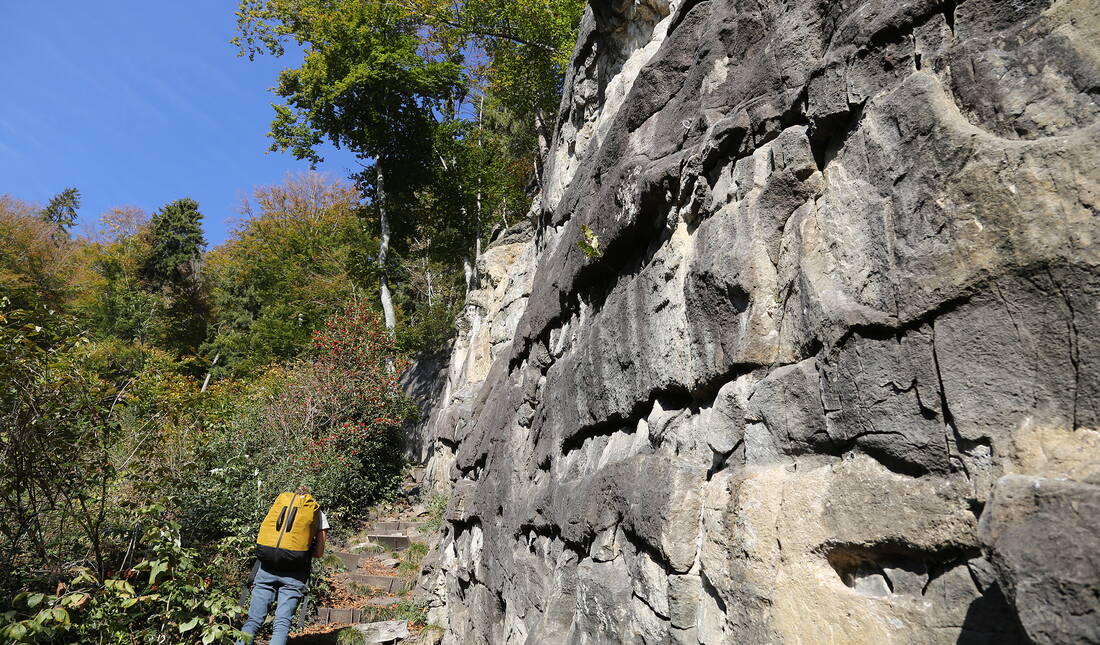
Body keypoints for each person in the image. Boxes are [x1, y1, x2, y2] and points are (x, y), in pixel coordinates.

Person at [237, 486, 329, 645]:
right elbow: (319, 552)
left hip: (267, 567)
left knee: (253, 621)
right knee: (281, 625)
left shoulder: (281, 506)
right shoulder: (317, 513)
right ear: (309, 497)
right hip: (295, 573)